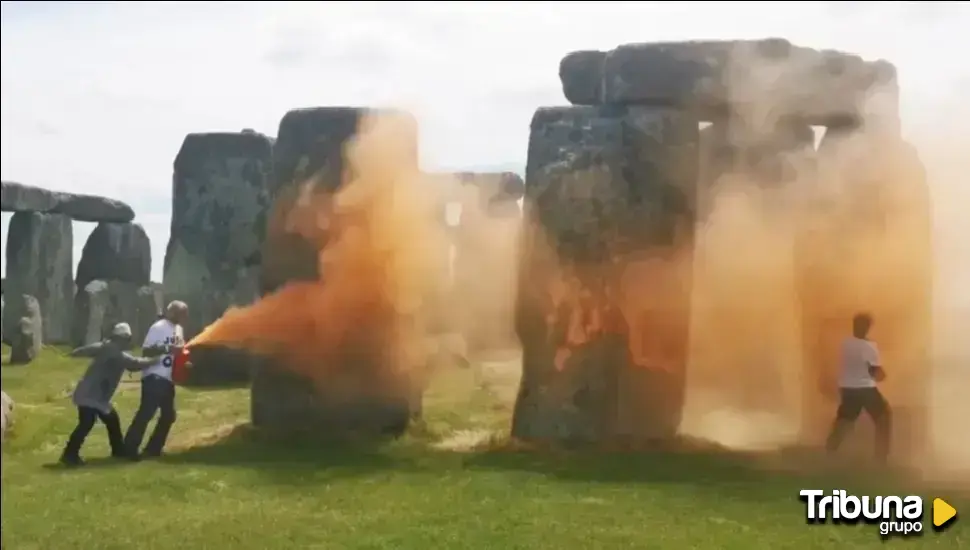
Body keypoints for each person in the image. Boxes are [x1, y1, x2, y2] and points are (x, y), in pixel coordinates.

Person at [60, 322, 157, 467]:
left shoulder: (106, 346)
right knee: (87, 424)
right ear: (122, 338)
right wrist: (156, 361)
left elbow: (87, 349)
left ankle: (117, 450)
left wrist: (73, 352)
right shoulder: (114, 351)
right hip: (90, 396)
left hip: (92, 394)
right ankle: (69, 454)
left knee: (111, 419)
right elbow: (134, 364)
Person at [123, 300, 188, 460]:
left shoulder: (179, 329)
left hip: (168, 378)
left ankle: (153, 449)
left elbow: (179, 353)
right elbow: (146, 350)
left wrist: (184, 363)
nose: (184, 317)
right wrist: (167, 349)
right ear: (171, 312)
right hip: (154, 375)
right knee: (146, 412)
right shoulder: (158, 327)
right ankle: (129, 449)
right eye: (181, 313)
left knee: (168, 415)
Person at [825, 312, 892, 464]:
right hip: (865, 389)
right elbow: (875, 372)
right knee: (883, 417)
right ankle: (881, 458)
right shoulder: (869, 346)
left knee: (844, 421)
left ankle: (829, 451)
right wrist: (882, 375)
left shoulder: (845, 344)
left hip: (848, 388)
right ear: (868, 327)